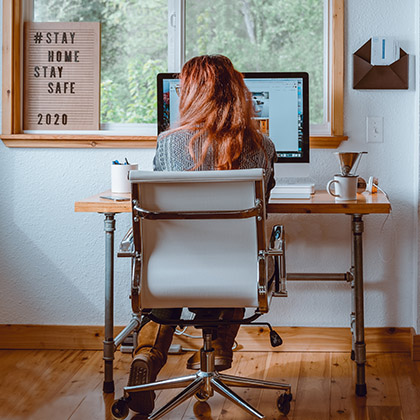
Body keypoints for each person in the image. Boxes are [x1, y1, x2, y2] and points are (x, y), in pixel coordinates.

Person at [127, 54, 277, 415]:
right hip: (237, 276)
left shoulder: (167, 144)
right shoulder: (264, 148)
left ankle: (147, 355)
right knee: (244, 252)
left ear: (190, 95)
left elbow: (160, 215)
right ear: (239, 93)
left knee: (164, 254)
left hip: (174, 273)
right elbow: (262, 212)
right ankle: (222, 346)